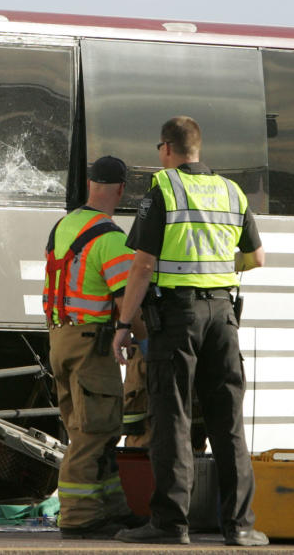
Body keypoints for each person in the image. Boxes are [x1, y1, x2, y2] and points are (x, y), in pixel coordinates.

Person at [111, 116, 269, 546]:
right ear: (197, 148)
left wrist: (124, 324)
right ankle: (239, 527)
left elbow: (142, 266)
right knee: (228, 422)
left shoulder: (163, 188)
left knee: (173, 418)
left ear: (167, 148)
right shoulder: (231, 191)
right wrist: (216, 271)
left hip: (177, 317)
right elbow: (256, 258)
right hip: (223, 316)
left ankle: (170, 524)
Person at [43, 155, 144, 538]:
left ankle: (113, 508)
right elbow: (126, 303)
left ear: (89, 184)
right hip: (91, 344)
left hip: (60, 340)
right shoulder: (111, 238)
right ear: (121, 189)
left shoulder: (63, 225)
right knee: (94, 432)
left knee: (87, 428)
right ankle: (79, 516)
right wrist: (147, 341)